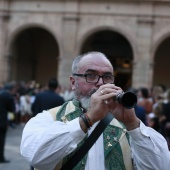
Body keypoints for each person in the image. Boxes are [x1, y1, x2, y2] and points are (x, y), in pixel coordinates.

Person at [20, 52, 170, 170]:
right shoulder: (47, 119)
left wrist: (133, 125)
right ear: (73, 82)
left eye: (107, 77)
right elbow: (36, 157)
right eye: (90, 75)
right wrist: (87, 119)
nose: (100, 83)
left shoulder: (127, 127)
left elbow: (160, 166)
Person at [0, 83, 16, 163]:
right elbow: (12, 109)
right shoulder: (8, 96)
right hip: (2, 121)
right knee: (1, 140)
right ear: (11, 89)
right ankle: (1, 157)